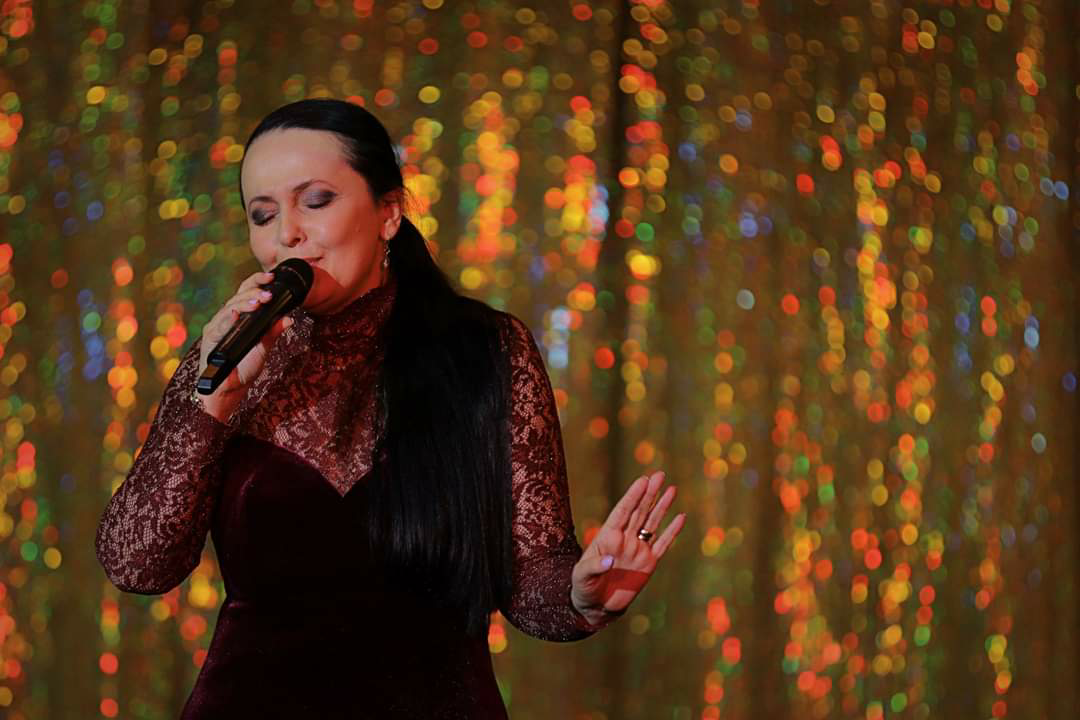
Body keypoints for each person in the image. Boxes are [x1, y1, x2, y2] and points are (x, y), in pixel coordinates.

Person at [95, 98, 685, 718]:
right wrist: (214, 397)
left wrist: (583, 597)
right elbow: (137, 566)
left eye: (314, 201)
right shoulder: (230, 355)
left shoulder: (485, 350)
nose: (286, 233)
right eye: (262, 215)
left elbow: (531, 583)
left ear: (388, 213)